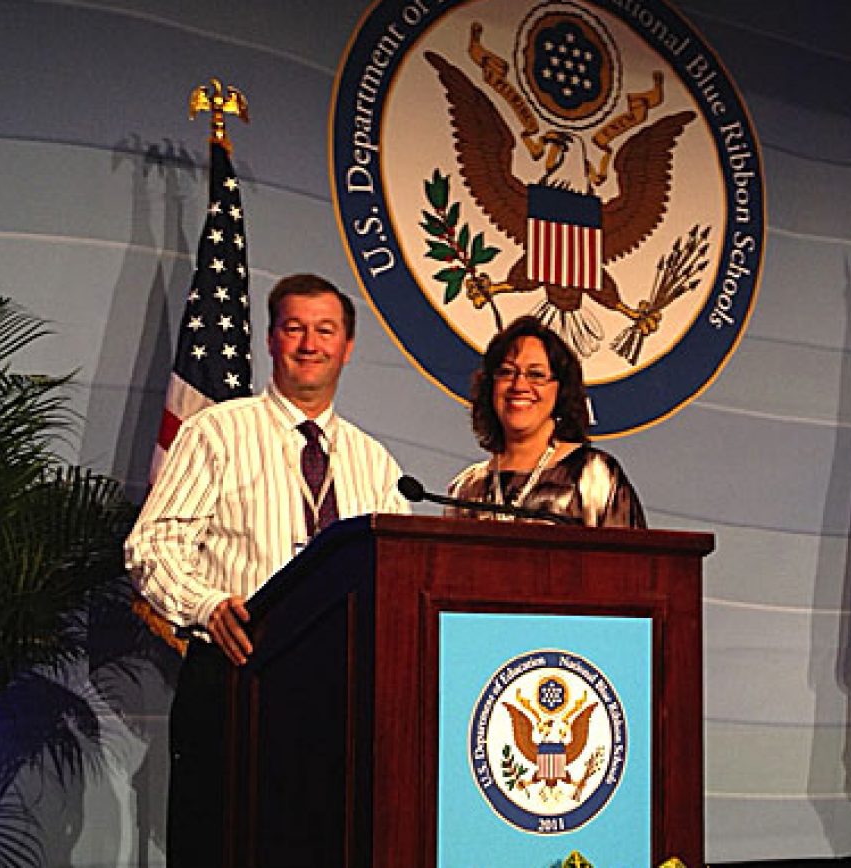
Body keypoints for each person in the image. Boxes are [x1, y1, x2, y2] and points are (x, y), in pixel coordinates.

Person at [125, 272, 409, 868]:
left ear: (347, 346)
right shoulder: (217, 432)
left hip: (340, 697)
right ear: (272, 341)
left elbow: (398, 579)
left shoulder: (377, 464)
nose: (310, 343)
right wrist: (206, 605)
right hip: (236, 679)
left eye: (325, 330)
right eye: (295, 328)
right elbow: (152, 546)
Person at [446, 315, 645, 528]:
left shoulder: (594, 475)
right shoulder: (466, 488)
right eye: (506, 372)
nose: (519, 385)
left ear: (560, 390)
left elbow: (632, 559)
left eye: (536, 375)